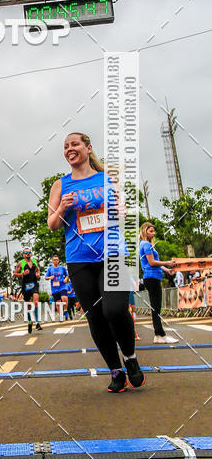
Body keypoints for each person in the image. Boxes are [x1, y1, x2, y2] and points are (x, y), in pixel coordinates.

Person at [47, 132, 145, 393]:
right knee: (96, 317)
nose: (70, 149)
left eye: (75, 144)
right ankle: (115, 370)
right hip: (79, 259)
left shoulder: (106, 178)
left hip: (112, 252)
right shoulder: (60, 185)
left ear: (88, 148)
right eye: (65, 146)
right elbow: (52, 224)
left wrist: (119, 210)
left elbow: (121, 211)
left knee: (114, 309)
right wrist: (61, 209)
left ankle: (130, 357)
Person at [139, 222, 177, 344]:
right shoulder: (145, 244)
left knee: (156, 307)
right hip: (152, 278)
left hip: (152, 277)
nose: (153, 233)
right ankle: (160, 334)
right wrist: (167, 262)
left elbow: (156, 264)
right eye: (151, 231)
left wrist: (167, 269)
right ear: (145, 232)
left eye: (154, 231)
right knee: (156, 308)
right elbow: (152, 263)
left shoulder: (147, 244)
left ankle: (158, 334)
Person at [13, 248, 42, 333]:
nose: (28, 254)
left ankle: (37, 322)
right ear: (23, 254)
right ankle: (30, 321)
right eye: (26, 253)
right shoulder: (21, 263)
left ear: (31, 254)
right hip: (26, 286)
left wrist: (38, 274)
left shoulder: (34, 261)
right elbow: (14, 274)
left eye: (29, 252)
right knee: (28, 305)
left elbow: (38, 269)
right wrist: (22, 274)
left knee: (36, 301)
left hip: (34, 284)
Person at [45, 254, 69, 320]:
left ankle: (65, 310)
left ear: (58, 261)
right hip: (54, 288)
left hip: (62, 286)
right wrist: (50, 277)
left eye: (57, 260)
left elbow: (67, 275)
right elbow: (46, 277)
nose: (55, 261)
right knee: (58, 303)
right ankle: (61, 316)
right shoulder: (50, 269)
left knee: (64, 298)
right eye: (54, 260)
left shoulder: (62, 268)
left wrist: (65, 279)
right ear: (52, 261)